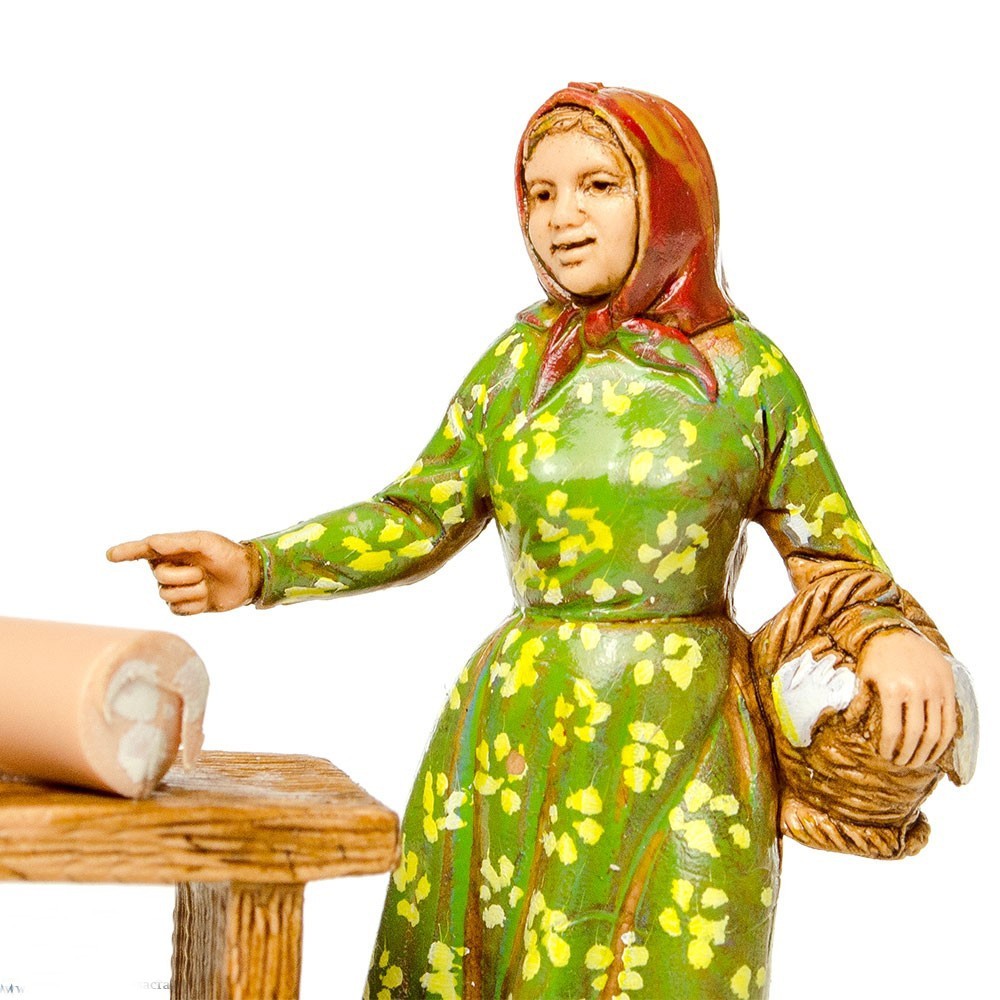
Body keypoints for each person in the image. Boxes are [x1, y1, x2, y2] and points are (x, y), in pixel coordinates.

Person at [109, 83, 956, 999]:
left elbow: (832, 552)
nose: (561, 217)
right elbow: (419, 514)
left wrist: (888, 635)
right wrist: (259, 566)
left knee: (683, 962)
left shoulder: (747, 374)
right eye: (541, 192)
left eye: (598, 185)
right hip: (519, 729)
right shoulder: (516, 369)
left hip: (693, 734)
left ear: (670, 198)